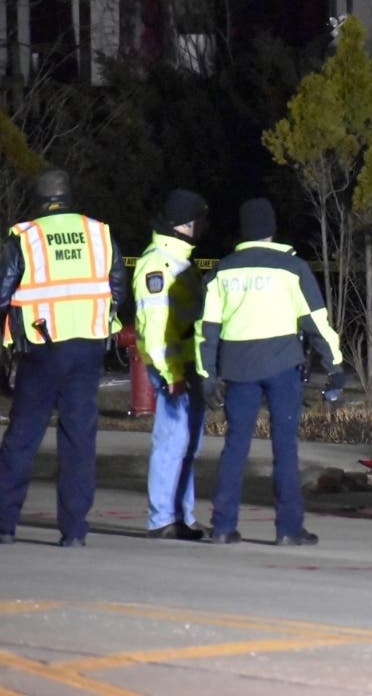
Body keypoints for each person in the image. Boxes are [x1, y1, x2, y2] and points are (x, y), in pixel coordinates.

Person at [195, 198, 344, 546]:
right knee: (285, 448)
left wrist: (207, 375)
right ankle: (289, 529)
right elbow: (316, 322)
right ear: (273, 229)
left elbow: (207, 330)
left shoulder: (223, 270)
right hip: (281, 366)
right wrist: (334, 365)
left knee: (235, 448)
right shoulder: (291, 268)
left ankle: (222, 526)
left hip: (238, 368)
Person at [0, 168, 125, 547]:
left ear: (38, 201)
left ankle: (4, 524)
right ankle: (74, 531)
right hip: (87, 348)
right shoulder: (98, 234)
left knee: (23, 435)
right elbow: (116, 286)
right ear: (69, 197)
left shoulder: (27, 237)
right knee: (78, 439)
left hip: (41, 348)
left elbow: (2, 292)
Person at [134, 189, 210, 541]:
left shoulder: (179, 261)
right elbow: (154, 327)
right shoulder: (158, 264)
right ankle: (162, 518)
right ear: (187, 224)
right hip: (172, 368)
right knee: (171, 441)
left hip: (187, 365)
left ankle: (181, 515)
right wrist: (171, 374)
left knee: (188, 443)